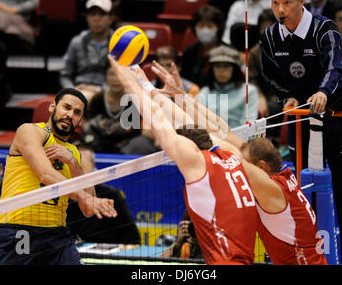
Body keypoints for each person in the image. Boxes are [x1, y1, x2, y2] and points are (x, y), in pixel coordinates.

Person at [152, 58, 328, 265]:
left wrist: (149, 96)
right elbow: (221, 130)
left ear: (260, 167)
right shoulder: (280, 174)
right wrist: (183, 98)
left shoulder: (271, 189)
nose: (235, 167)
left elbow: (210, 140)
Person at [259, 0, 342, 263]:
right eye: (274, 3)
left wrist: (322, 92)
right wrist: (287, 97)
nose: (280, 10)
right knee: (302, 191)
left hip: (336, 118)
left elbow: (335, 68)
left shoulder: (325, 29)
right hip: (301, 120)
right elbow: (270, 77)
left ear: (302, 0)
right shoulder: (270, 37)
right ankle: (305, 254)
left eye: (287, 2)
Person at [109, 55, 258, 265]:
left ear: (191, 150)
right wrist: (150, 87)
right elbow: (203, 126)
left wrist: (131, 84)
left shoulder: (197, 166)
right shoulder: (231, 155)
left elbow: (156, 118)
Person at [0, 88, 117, 265]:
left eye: (77, 112)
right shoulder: (29, 131)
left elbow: (88, 209)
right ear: (52, 107)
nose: (70, 115)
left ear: (80, 120)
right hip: (20, 231)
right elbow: (45, 174)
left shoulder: (73, 152)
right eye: (66, 107)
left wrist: (73, 163)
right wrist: (88, 198)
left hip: (56, 235)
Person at [66, 145, 141, 245]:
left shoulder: (111, 194)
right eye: (75, 163)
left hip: (109, 251)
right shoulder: (65, 196)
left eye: (81, 163)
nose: (78, 167)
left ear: (93, 165)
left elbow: (133, 238)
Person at [60, 0, 114, 102]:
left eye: (102, 14)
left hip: (109, 93)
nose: (96, 19)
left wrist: (100, 89)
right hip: (79, 91)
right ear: (86, 17)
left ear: (111, 18)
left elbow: (123, 80)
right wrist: (72, 91)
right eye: (92, 14)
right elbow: (65, 75)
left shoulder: (119, 45)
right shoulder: (76, 42)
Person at [80, 65, 141, 154]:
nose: (116, 79)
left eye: (120, 74)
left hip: (125, 147)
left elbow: (134, 131)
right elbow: (90, 125)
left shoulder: (134, 99)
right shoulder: (98, 98)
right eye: (112, 74)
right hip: (99, 144)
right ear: (105, 76)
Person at [198, 44, 259, 128]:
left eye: (226, 66)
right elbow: (200, 124)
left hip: (239, 139)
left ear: (235, 69)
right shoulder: (204, 92)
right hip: (210, 138)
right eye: (217, 66)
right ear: (212, 69)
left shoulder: (249, 92)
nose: (221, 70)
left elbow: (248, 127)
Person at [180, 5, 225, 88]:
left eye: (210, 26)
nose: (205, 30)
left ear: (218, 28)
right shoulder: (189, 52)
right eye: (201, 26)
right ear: (195, 28)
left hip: (221, 97)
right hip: (193, 97)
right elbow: (183, 83)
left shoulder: (227, 52)